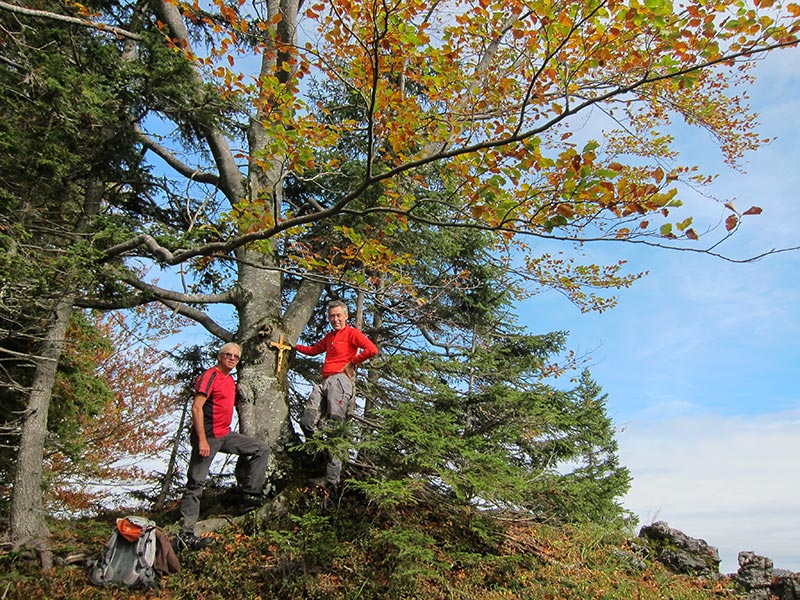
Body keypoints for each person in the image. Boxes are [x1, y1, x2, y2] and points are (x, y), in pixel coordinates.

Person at [176, 342, 270, 550]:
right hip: (207, 437)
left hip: (224, 434)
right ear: (220, 356)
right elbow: (196, 408)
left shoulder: (229, 381)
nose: (232, 359)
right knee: (195, 483)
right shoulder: (210, 376)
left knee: (260, 449)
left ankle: (250, 494)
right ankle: (185, 534)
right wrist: (201, 440)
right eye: (228, 355)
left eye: (236, 357)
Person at [295, 300, 378, 487]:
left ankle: (331, 479)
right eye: (332, 316)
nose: (335, 319)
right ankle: (319, 454)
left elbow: (372, 349)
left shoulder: (352, 333)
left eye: (339, 315)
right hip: (325, 381)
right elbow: (312, 351)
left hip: (340, 381)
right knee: (307, 420)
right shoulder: (330, 336)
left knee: (335, 430)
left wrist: (352, 362)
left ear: (346, 316)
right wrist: (292, 345)